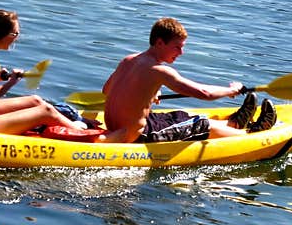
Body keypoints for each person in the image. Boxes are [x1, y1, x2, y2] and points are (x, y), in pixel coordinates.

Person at [98, 17, 276, 143]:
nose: (181, 53)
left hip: (119, 128)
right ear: (160, 43)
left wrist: (147, 93)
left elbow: (107, 90)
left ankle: (235, 123)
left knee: (180, 116)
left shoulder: (129, 60)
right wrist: (232, 90)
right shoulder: (159, 71)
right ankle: (252, 134)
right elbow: (203, 93)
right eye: (177, 47)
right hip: (138, 136)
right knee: (200, 124)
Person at [0, 10, 87, 134]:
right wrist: (11, 83)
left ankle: (68, 123)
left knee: (35, 100)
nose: (17, 38)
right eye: (15, 34)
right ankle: (80, 132)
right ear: (3, 35)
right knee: (47, 111)